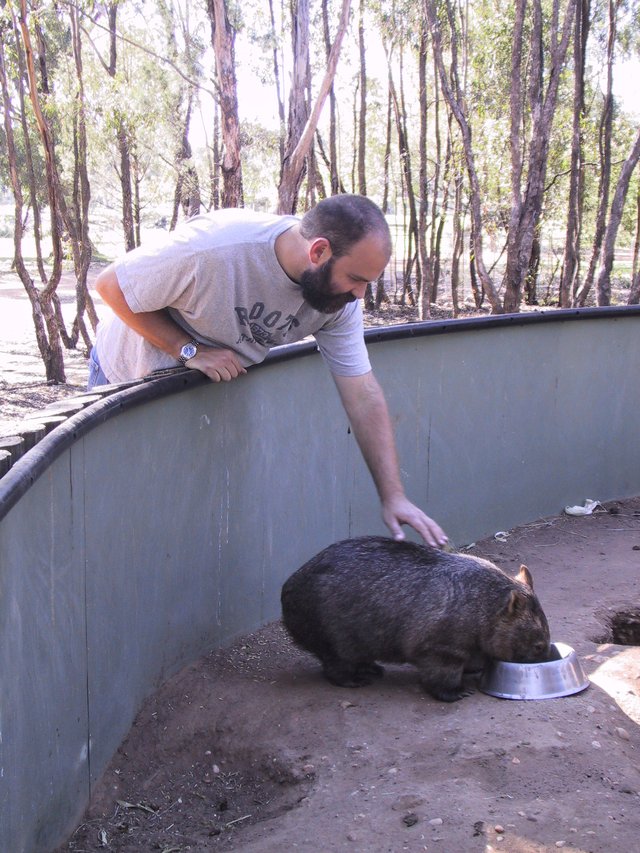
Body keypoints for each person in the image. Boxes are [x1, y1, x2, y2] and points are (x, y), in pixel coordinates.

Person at [91, 194, 447, 547]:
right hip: (122, 376)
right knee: (110, 514)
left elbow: (363, 393)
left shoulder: (339, 303)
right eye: (356, 278)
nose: (360, 295)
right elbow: (110, 285)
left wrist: (393, 496)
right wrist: (188, 349)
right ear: (319, 251)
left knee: (163, 522)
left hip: (189, 399)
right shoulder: (218, 249)